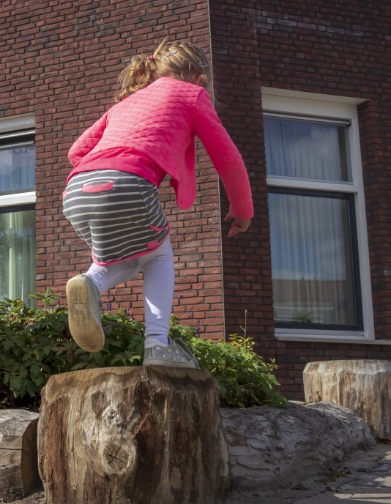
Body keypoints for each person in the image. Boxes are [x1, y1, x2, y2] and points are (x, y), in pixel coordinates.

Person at [64, 40, 253, 368]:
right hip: (128, 183)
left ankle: (90, 283)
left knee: (137, 254)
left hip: (77, 191)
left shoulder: (127, 103)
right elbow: (228, 159)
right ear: (200, 80)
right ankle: (156, 344)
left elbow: (76, 151)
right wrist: (242, 210)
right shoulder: (192, 95)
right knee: (159, 257)